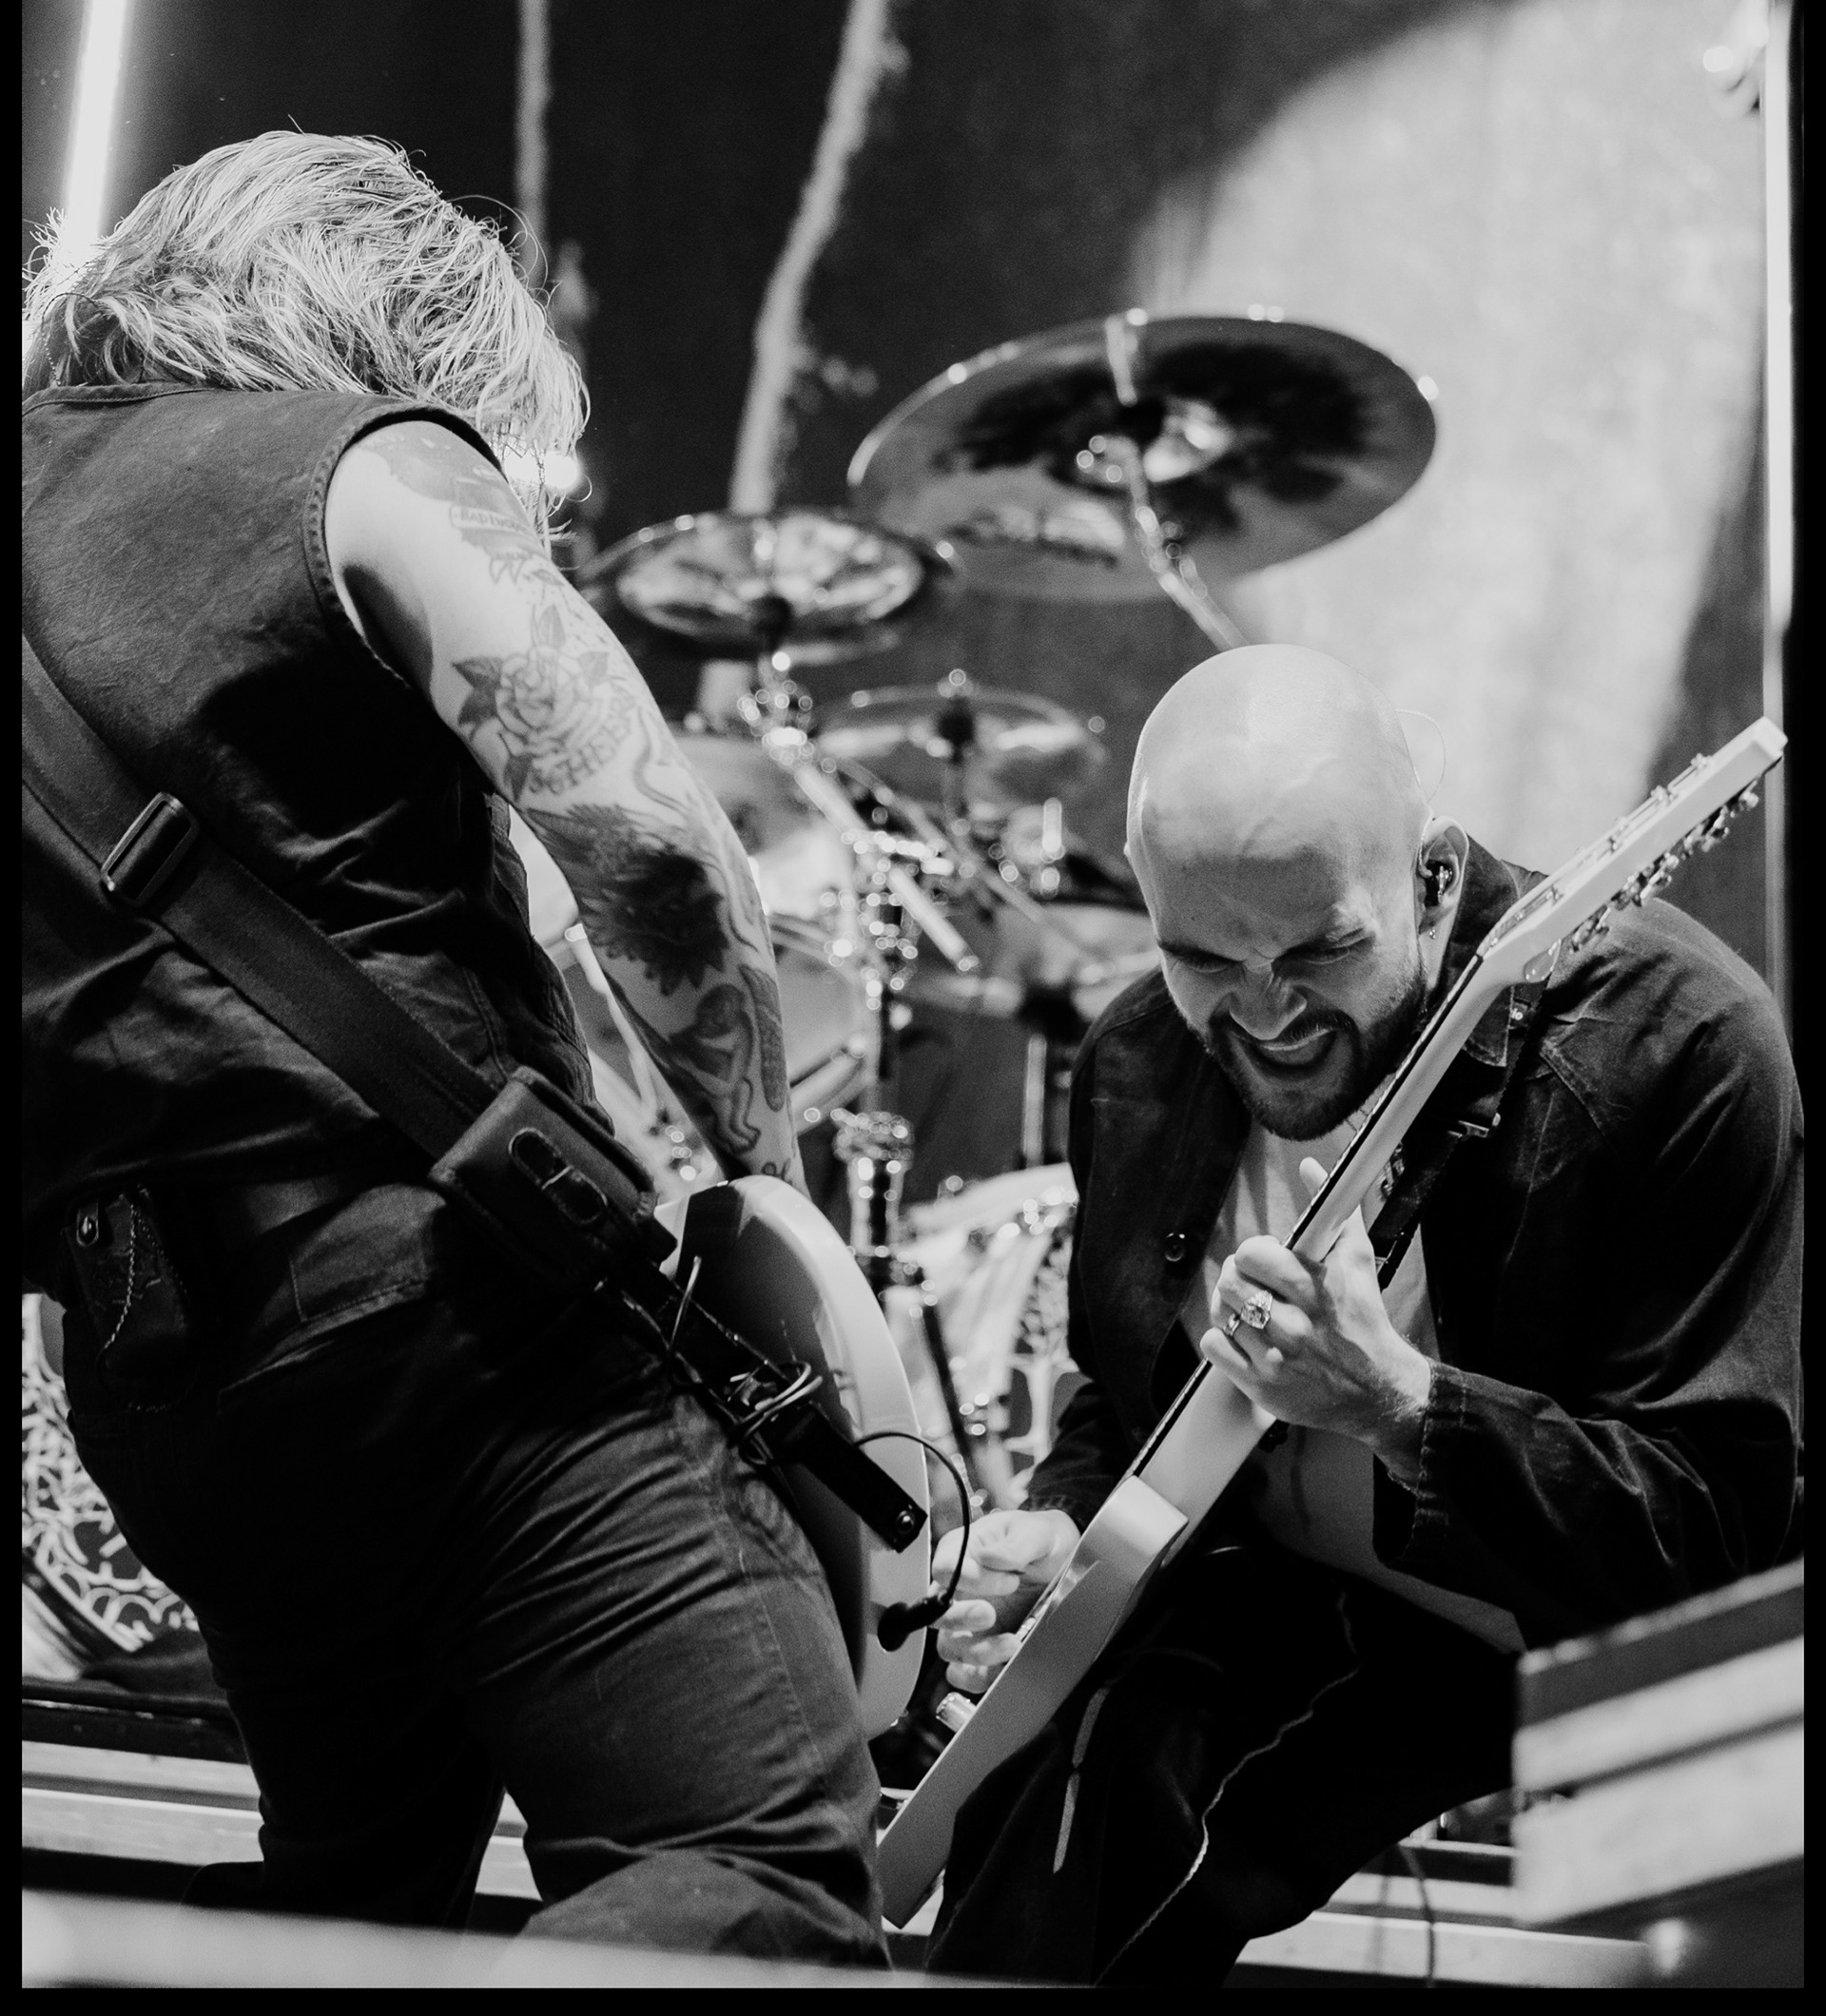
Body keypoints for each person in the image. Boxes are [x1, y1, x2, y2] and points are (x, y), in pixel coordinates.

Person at [22, 133, 885, 1962]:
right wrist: (775, 1205)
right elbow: (653, 848)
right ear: (406, 331)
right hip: (457, 1327)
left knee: (353, 1911)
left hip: (169, 1399)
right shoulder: (365, 459)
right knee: (755, 1871)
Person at [926, 646, 1802, 1986]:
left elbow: (1706, 1538)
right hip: (1299, 1583)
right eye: (1203, 957)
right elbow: (1129, 1388)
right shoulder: (1140, 1061)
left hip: (1581, 1633)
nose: (1265, 1011)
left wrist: (1402, 1409)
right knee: (1070, 1798)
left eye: (1319, 950)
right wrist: (1067, 1526)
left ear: (1433, 876)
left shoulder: (1676, 1045)